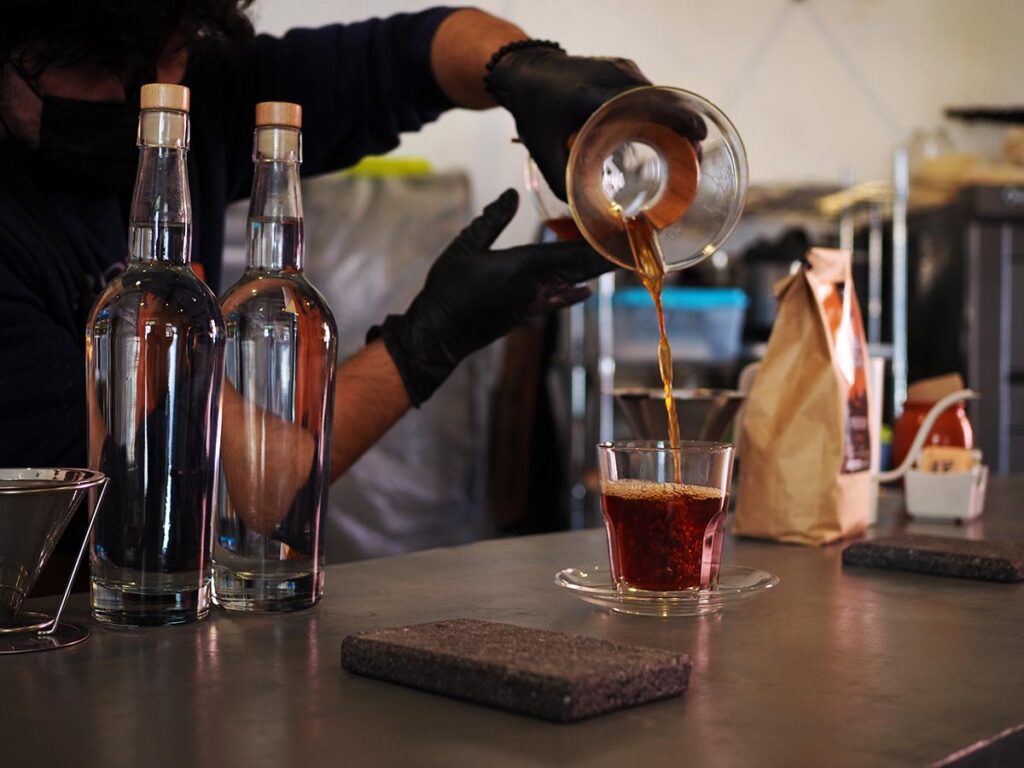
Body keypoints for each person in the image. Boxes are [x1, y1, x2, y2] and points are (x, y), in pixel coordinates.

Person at [0, 2, 667, 579]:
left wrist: (522, 67)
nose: (149, 95)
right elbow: (246, 487)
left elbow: (408, 54)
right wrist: (428, 342)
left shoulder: (201, 90)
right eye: (94, 66)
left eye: (169, 56)